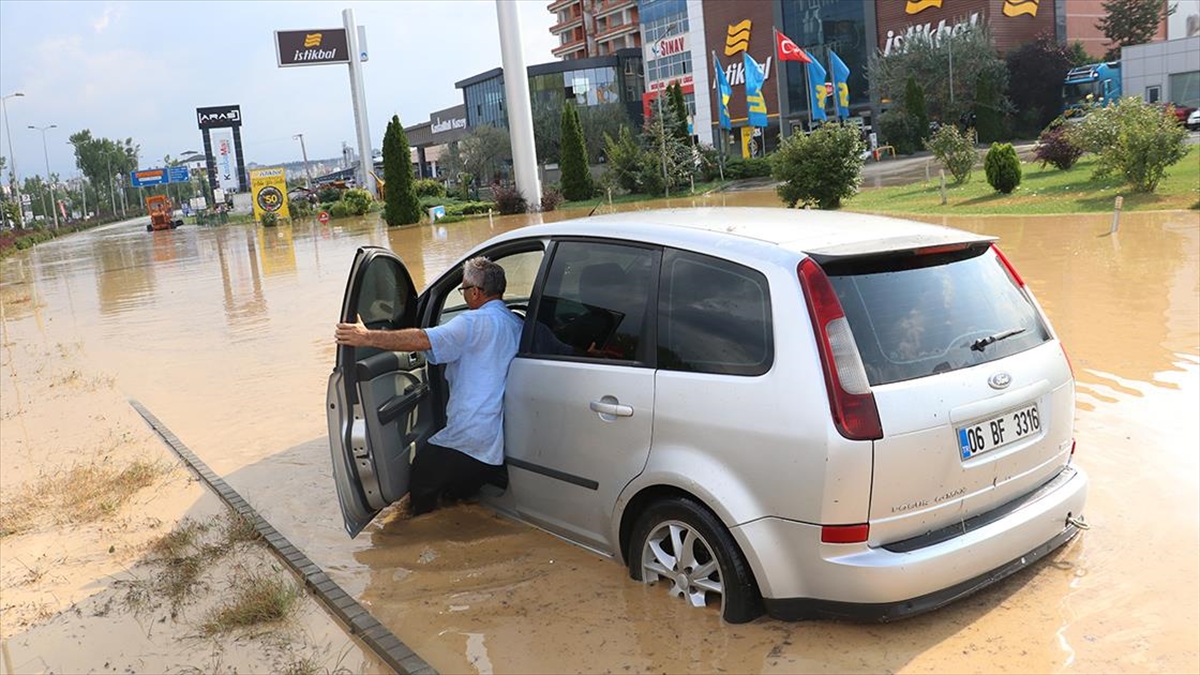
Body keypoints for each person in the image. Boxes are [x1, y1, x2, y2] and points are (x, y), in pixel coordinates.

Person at [334, 256, 522, 516]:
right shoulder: (516, 323)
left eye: (463, 289)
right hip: (494, 447)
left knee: (421, 482)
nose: (464, 294)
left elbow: (421, 339)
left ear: (476, 292)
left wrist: (367, 337)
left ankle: (415, 530)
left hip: (466, 439)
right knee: (455, 498)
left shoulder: (472, 323)